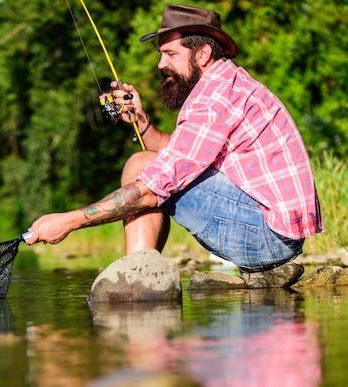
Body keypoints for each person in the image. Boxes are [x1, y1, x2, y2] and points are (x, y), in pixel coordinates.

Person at [24, 4, 323, 274]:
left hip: (266, 237)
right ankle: (141, 278)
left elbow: (154, 187)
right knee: (152, 167)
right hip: (277, 235)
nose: (160, 65)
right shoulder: (226, 83)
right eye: (160, 55)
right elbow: (180, 158)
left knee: (142, 166)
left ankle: (138, 278)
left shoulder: (213, 98)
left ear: (202, 53)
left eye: (170, 54)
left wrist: (70, 220)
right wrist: (142, 123)